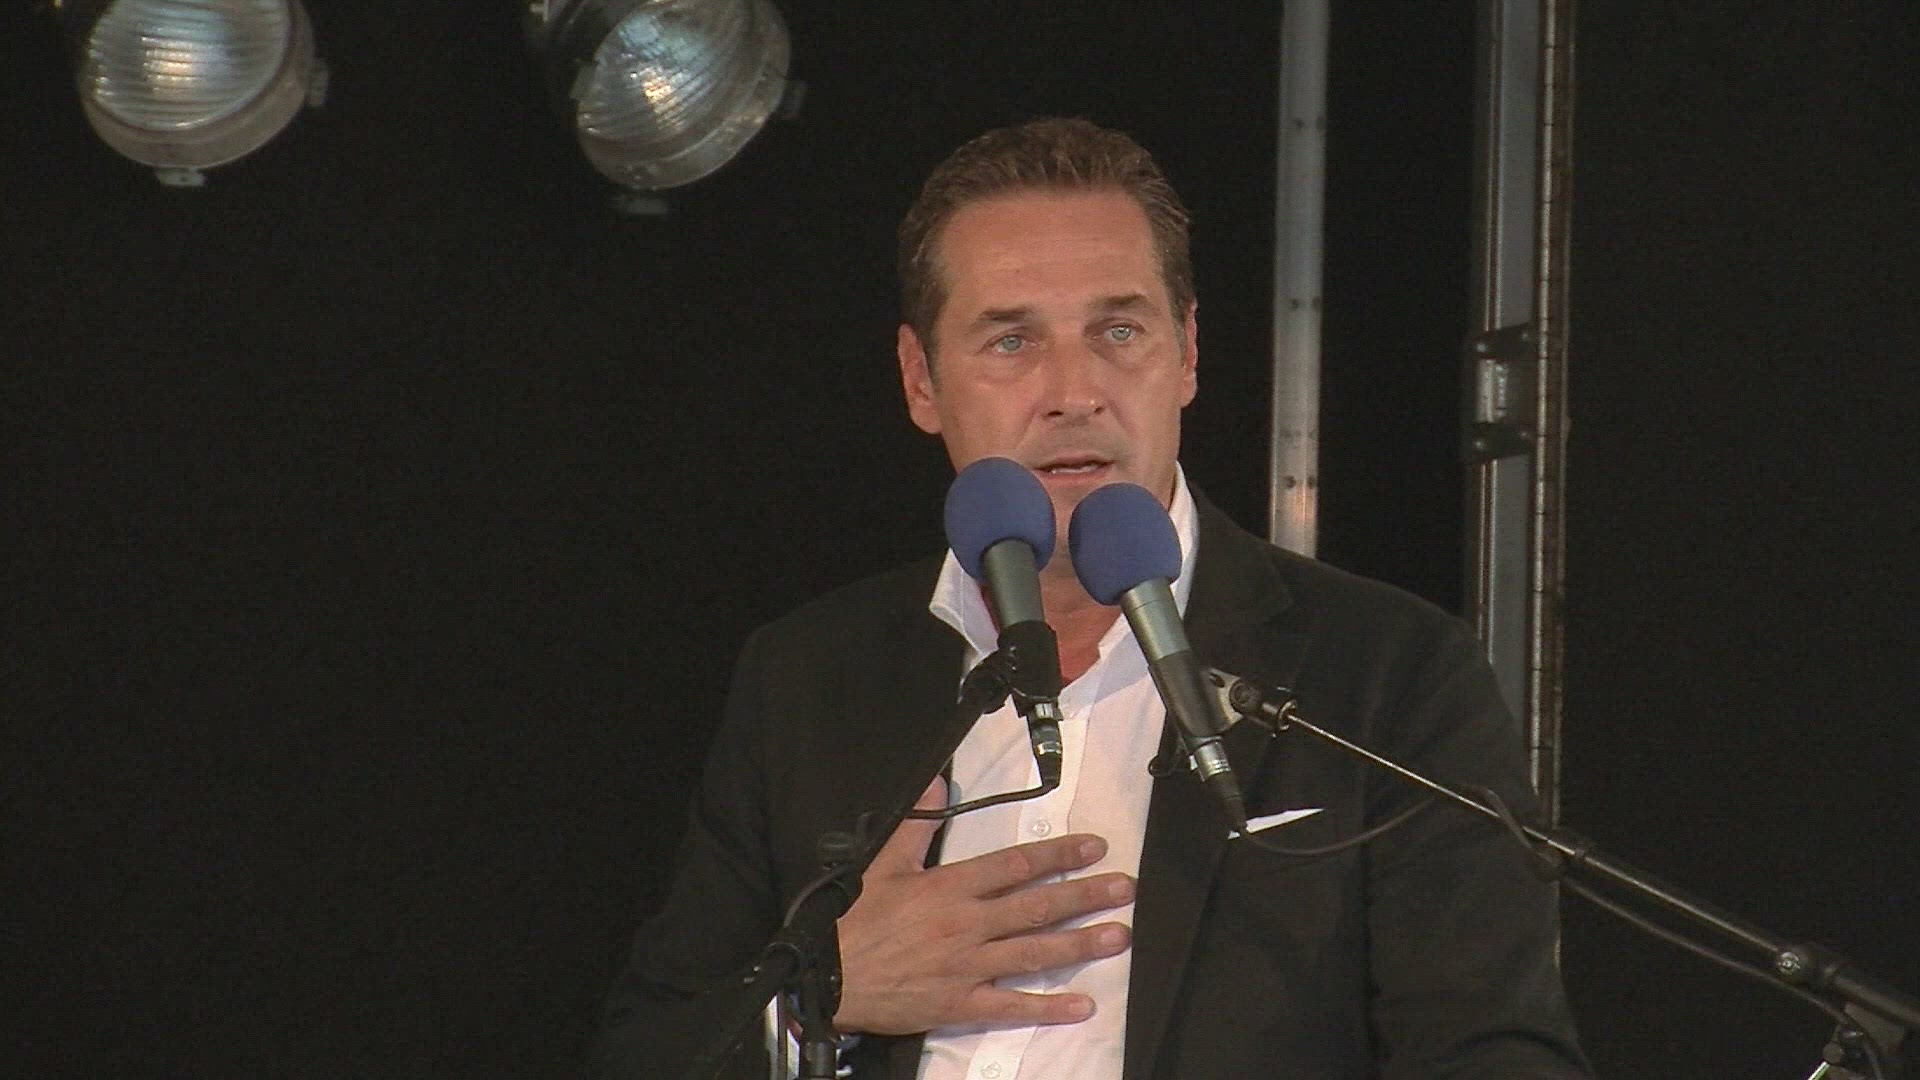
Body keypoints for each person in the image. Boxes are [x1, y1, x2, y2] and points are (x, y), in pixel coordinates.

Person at [593, 118, 1590, 1079]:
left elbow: (1495, 1056)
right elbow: (644, 1052)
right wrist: (823, 993)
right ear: (920, 380)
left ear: (1187, 353)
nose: (1075, 390)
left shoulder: (1387, 673)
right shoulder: (810, 676)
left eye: (1119, 330)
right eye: (1011, 342)